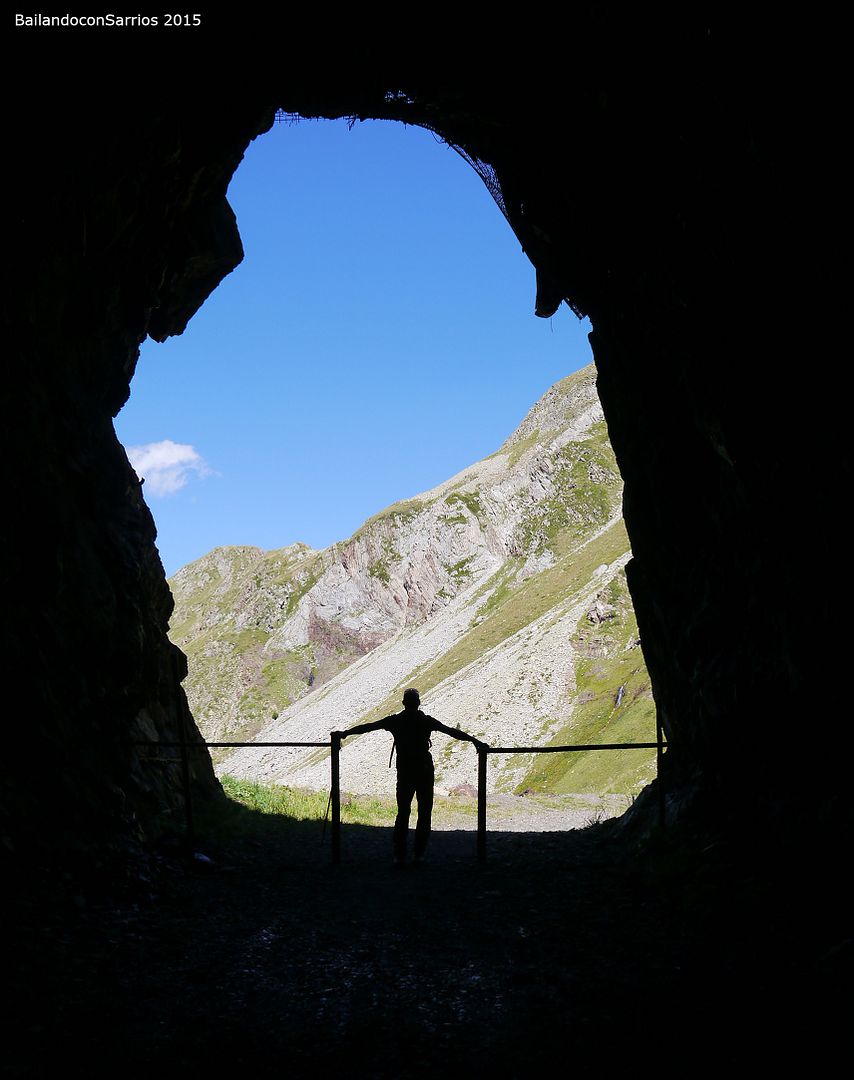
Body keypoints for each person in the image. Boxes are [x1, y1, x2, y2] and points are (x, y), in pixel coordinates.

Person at [332, 688, 485, 866]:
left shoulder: (395, 721)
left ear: (403, 703)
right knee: (425, 812)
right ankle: (419, 854)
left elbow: (368, 727)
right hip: (424, 770)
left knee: (403, 811)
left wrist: (345, 733)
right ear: (418, 703)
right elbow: (452, 732)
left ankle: (399, 855)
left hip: (405, 771)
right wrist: (475, 741)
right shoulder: (426, 721)